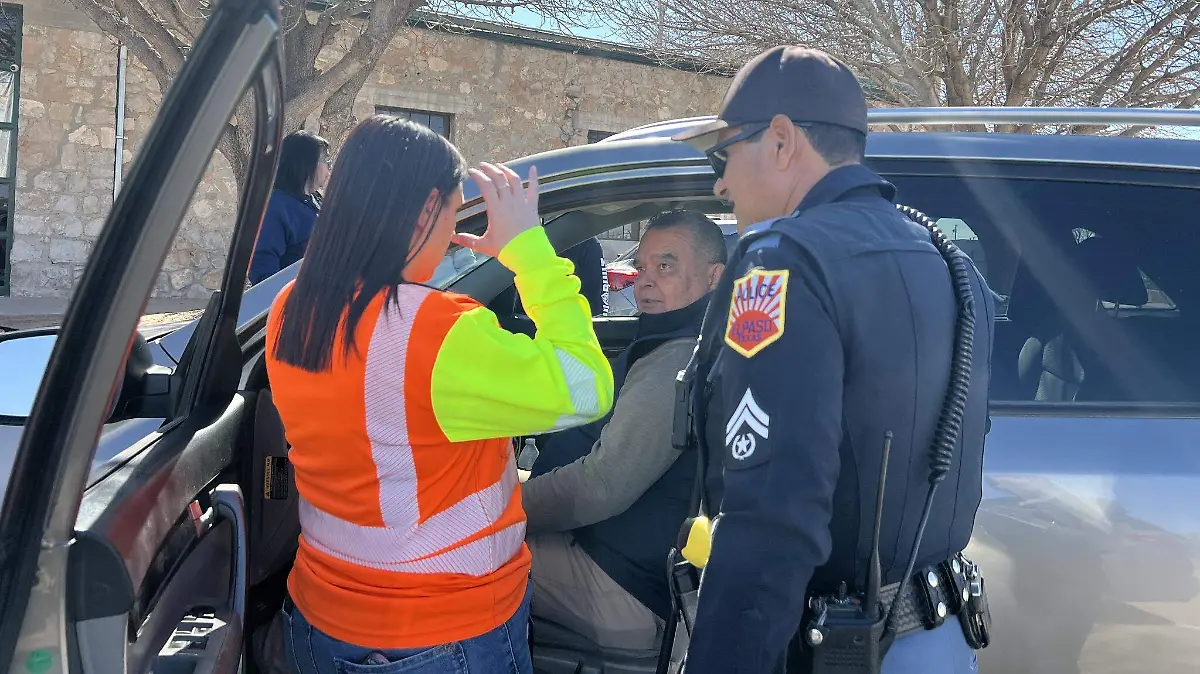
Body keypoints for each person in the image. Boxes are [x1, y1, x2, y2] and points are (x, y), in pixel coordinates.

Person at [670, 46, 995, 673]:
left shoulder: (784, 261)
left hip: (834, 648)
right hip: (938, 638)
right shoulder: (949, 260)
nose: (720, 181)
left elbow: (772, 516)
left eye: (725, 153)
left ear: (783, 140)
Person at [264, 115, 614, 673]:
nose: (455, 233)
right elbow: (586, 387)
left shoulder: (290, 310)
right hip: (443, 631)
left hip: (317, 618)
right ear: (427, 210)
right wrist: (528, 253)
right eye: (453, 213)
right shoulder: (442, 333)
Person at [521, 210, 726, 653]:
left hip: (617, 583)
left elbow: (602, 484)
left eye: (665, 266)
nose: (644, 281)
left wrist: (498, 514)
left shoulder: (678, 361)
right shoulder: (692, 341)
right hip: (611, 552)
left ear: (715, 277)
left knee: (444, 554)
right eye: (641, 267)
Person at [249, 130, 331, 285]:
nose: (329, 167)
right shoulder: (275, 207)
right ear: (307, 163)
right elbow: (263, 270)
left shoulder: (315, 201)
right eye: (326, 160)